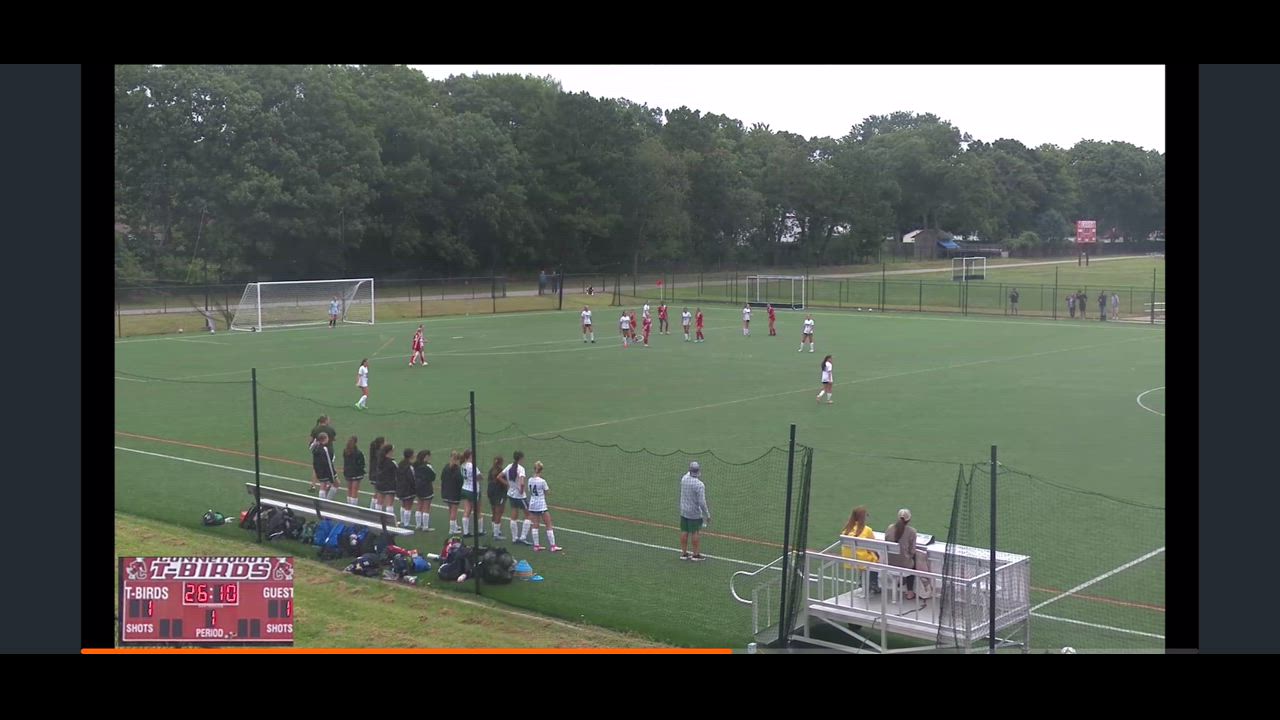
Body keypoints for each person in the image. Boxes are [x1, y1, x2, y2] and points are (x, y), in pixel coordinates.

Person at [841, 506, 880, 595]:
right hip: (860, 559)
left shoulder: (846, 529)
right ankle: (873, 583)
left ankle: (863, 581)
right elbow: (873, 545)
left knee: (867, 557)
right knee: (876, 559)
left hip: (848, 558)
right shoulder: (867, 530)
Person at [679, 461, 711, 561]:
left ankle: (684, 553)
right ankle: (695, 555)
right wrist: (707, 514)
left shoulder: (684, 479)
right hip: (694, 513)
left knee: (684, 531)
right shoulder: (699, 485)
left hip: (684, 510)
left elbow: (688, 474)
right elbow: (702, 502)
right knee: (695, 532)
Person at [885, 509, 918, 600]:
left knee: (904, 558)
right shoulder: (911, 531)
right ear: (909, 519)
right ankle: (910, 591)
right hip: (903, 564)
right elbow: (912, 551)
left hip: (890, 562)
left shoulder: (890, 528)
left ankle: (902, 581)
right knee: (913, 560)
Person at [527, 461, 560, 552]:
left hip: (532, 504)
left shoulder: (530, 480)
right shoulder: (542, 481)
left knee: (535, 524)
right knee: (548, 524)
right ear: (541, 470)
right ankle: (553, 546)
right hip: (541, 505)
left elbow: (530, 490)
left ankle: (536, 546)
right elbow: (547, 492)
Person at [503, 451, 530, 545]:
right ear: (521, 458)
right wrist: (521, 490)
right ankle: (523, 537)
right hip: (519, 496)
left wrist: (508, 485)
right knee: (528, 515)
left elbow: (499, 477)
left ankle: (514, 538)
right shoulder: (521, 469)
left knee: (514, 515)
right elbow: (522, 483)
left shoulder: (509, 466)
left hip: (511, 494)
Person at [460, 449, 482, 537]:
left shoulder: (463, 464)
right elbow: (479, 476)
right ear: (470, 456)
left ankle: (466, 532)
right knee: (478, 511)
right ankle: (480, 530)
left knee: (467, 510)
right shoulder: (472, 466)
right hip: (473, 490)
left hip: (465, 488)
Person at [486, 455, 508, 540]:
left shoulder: (491, 470)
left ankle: (495, 531)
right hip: (499, 494)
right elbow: (504, 483)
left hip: (491, 492)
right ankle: (496, 534)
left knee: (494, 512)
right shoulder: (501, 471)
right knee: (499, 512)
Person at [441, 450, 464, 534]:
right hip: (454, 493)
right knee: (454, 510)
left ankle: (454, 526)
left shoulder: (446, 467)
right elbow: (460, 481)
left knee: (451, 509)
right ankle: (452, 530)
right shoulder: (458, 469)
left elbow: (442, 477)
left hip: (446, 491)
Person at [413, 449, 435, 531]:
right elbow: (433, 476)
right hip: (427, 488)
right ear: (426, 457)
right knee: (426, 507)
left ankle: (418, 525)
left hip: (418, 488)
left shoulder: (415, 465)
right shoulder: (428, 466)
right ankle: (425, 526)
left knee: (419, 506)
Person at [312, 432, 338, 501]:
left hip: (319, 471)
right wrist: (332, 476)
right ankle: (327, 501)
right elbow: (328, 463)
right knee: (336, 484)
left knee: (323, 485)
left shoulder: (315, 447)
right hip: (326, 471)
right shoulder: (325, 449)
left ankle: (322, 502)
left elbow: (315, 462)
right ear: (325, 439)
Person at [374, 442, 398, 516]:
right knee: (389, 504)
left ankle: (377, 518)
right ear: (390, 451)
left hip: (380, 484)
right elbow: (398, 473)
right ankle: (388, 519)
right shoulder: (392, 462)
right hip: (390, 485)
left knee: (379, 502)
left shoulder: (380, 461)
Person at [396, 448, 417, 529]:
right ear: (411, 455)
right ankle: (406, 523)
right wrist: (415, 486)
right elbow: (412, 478)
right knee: (408, 506)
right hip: (408, 489)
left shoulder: (400, 464)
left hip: (400, 487)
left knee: (403, 504)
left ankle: (402, 521)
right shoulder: (410, 466)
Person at [342, 436, 365, 506]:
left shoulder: (345, 451)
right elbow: (362, 463)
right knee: (354, 490)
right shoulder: (358, 452)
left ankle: (349, 504)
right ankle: (353, 506)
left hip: (348, 472)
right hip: (356, 473)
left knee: (349, 489)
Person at [367, 437, 386, 510]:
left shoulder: (375, 451)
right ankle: (374, 510)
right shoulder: (379, 454)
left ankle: (372, 508)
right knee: (379, 494)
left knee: (376, 493)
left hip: (374, 474)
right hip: (377, 475)